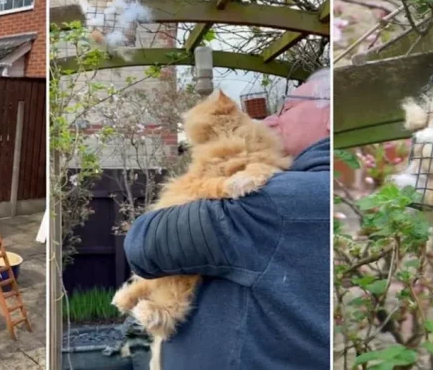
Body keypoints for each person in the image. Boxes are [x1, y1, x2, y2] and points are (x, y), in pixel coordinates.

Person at [123, 69, 332, 369]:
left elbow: (146, 243)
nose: (271, 120)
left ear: (330, 118)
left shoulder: (274, 202)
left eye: (288, 108)